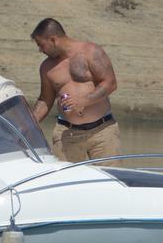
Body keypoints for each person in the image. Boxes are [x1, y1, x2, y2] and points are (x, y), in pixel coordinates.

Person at [30, 17, 121, 162]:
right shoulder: (47, 68)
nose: (40, 50)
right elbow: (45, 100)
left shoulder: (90, 52)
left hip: (102, 132)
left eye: (41, 45)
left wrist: (83, 100)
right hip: (67, 134)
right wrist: (29, 123)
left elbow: (110, 83)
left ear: (53, 39)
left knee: (109, 180)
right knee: (64, 182)